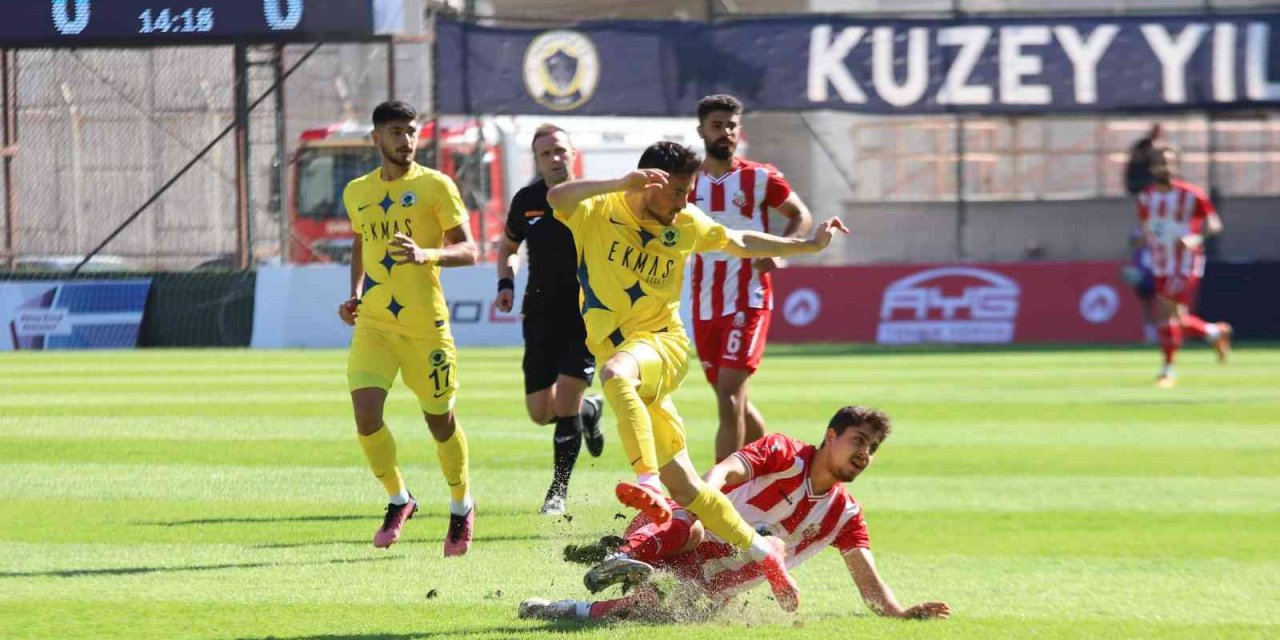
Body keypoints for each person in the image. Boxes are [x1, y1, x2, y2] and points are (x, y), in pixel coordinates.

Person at [545, 140, 849, 611]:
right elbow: (556, 198)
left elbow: (740, 241)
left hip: (662, 346)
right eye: (681, 191)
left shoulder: (684, 224)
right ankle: (760, 548)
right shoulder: (598, 209)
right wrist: (619, 182)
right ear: (651, 181)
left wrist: (807, 245)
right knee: (687, 486)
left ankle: (646, 484)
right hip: (631, 357)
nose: (687, 202)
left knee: (614, 374)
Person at [517, 406, 952, 622]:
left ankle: (557, 609)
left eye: (872, 449)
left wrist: (898, 614)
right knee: (695, 521)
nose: (865, 454)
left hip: (705, 590)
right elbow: (724, 471)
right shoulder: (782, 452)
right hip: (676, 531)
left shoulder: (844, 515)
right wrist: (699, 506)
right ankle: (627, 555)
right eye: (859, 441)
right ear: (831, 436)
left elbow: (867, 579)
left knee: (650, 610)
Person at [337, 100, 476, 555]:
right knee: (366, 416)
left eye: (412, 131)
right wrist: (355, 293)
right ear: (377, 139)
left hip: (425, 328)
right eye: (396, 132)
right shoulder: (357, 190)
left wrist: (426, 254)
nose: (406, 140)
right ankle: (399, 499)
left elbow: (470, 250)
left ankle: (460, 505)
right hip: (375, 323)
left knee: (440, 423)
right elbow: (361, 243)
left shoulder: (436, 186)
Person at [690, 94, 814, 463]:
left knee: (729, 400)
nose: (725, 132)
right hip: (704, 304)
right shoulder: (687, 183)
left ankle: (721, 499)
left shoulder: (759, 176)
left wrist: (779, 252)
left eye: (731, 125)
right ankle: (784, 465)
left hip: (749, 298)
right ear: (701, 131)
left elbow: (800, 216)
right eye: (717, 125)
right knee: (733, 402)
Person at [494, 124, 605, 515]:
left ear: (572, 153)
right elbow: (508, 244)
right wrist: (505, 280)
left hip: (586, 316)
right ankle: (591, 411)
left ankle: (558, 491)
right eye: (546, 154)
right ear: (537, 161)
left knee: (567, 398)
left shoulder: (595, 197)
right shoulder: (526, 200)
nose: (555, 158)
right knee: (542, 412)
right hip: (540, 314)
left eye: (560, 151)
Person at [1135, 145, 1232, 388]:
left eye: (1168, 162)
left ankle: (1168, 370)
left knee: (1165, 312)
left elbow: (1214, 225)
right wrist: (1140, 241)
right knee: (1177, 319)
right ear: (1152, 167)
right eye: (1159, 162)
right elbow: (1148, 229)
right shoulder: (1146, 197)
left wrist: (1195, 239)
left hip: (1185, 263)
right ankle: (1214, 332)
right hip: (1160, 263)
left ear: (1176, 165)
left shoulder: (1192, 195)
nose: (1164, 167)